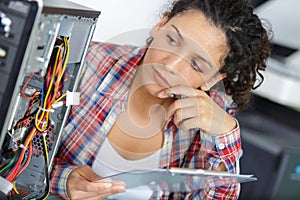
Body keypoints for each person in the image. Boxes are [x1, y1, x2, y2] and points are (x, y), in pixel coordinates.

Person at [50, 0, 271, 199]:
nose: (170, 65)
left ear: (212, 79)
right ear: (160, 25)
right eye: (172, 40)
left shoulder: (213, 112)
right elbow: (19, 163)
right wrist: (63, 180)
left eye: (196, 64)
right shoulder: (85, 63)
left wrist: (226, 131)